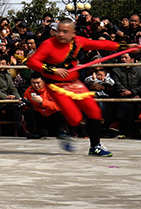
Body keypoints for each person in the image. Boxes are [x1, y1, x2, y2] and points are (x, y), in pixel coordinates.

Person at [26, 18, 135, 157]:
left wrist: (125, 47)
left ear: (73, 33)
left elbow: (101, 44)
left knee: (94, 111)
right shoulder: (48, 44)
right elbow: (32, 61)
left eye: (65, 32)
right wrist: (53, 70)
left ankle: (95, 146)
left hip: (74, 83)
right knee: (75, 118)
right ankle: (62, 133)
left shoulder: (78, 42)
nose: (60, 35)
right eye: (59, 31)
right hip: (56, 85)